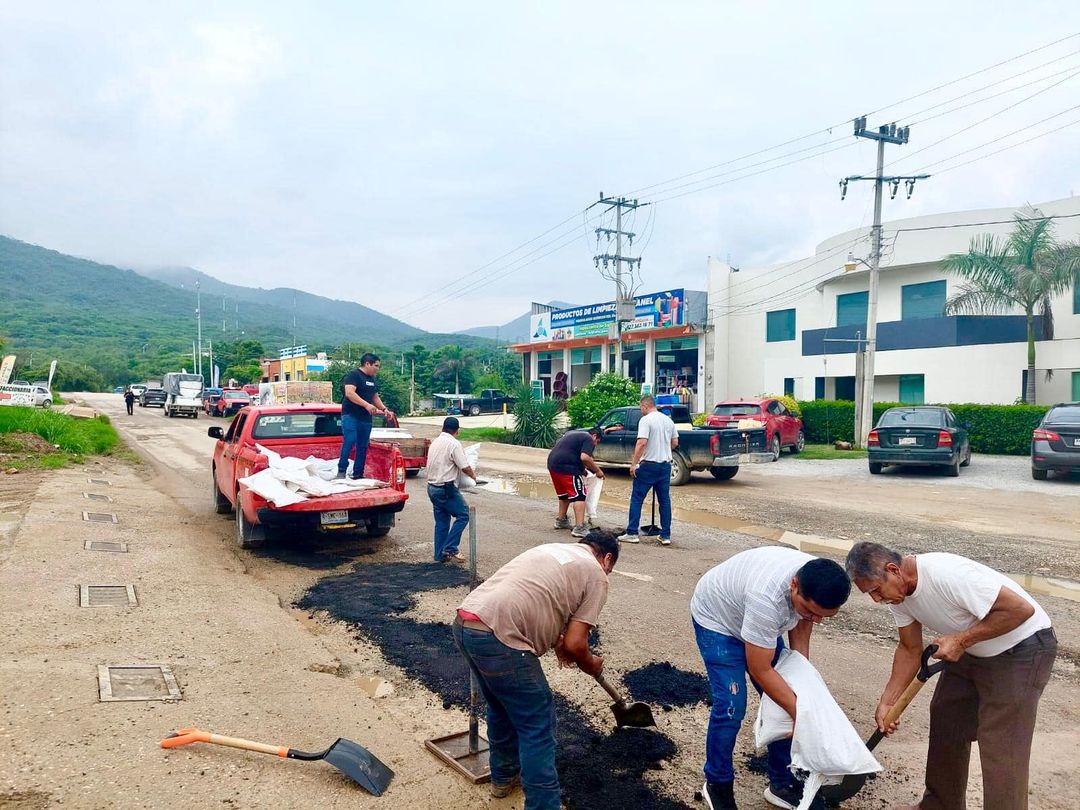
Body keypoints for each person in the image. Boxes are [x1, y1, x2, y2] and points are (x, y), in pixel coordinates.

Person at [845, 542, 1056, 810]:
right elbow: (910, 649)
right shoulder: (898, 595)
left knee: (1001, 742)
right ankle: (940, 805)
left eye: (876, 590)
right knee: (947, 716)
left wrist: (961, 640)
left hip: (1022, 648)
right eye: (870, 594)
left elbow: (1019, 610)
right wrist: (889, 700)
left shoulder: (947, 574)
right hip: (973, 648)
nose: (876, 599)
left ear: (893, 569)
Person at [453, 531, 618, 810]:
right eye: (611, 570)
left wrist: (562, 645)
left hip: (466, 624)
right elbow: (578, 643)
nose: (608, 574)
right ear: (607, 558)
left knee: (501, 708)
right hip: (502, 638)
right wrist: (590, 662)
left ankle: (503, 779)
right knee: (537, 726)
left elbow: (541, 604)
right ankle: (544, 804)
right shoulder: (596, 573)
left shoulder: (553, 550)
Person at [690, 547, 851, 810]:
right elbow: (760, 669)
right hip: (717, 619)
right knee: (732, 706)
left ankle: (782, 783)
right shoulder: (767, 598)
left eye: (824, 616)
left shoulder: (816, 577)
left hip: (756, 618)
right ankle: (717, 783)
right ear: (794, 585)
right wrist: (803, 715)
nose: (817, 620)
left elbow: (803, 623)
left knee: (789, 694)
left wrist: (801, 682)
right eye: (811, 611)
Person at [617, 395, 678, 546]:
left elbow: (641, 443)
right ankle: (665, 535)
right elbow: (675, 442)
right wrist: (663, 449)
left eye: (640, 408)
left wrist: (633, 464)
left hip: (648, 465)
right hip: (665, 465)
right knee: (664, 500)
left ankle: (632, 532)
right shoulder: (668, 420)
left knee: (637, 498)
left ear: (644, 406)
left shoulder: (646, 420)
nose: (641, 411)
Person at [426, 416, 476, 563]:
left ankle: (439, 554)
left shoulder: (435, 442)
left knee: (442, 522)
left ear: (443, 428)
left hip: (432, 488)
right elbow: (464, 466)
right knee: (464, 515)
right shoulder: (453, 444)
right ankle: (451, 548)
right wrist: (474, 477)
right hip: (446, 489)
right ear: (457, 431)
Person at [336, 352, 388, 480]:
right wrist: (366, 405)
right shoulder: (353, 375)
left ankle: (358, 474)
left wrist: (384, 409)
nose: (377, 369)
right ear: (367, 363)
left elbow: (374, 397)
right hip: (351, 414)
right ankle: (341, 471)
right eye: (376, 365)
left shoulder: (372, 379)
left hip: (365, 418)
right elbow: (349, 393)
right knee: (350, 440)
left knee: (363, 445)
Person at [546, 427, 604, 537]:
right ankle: (579, 527)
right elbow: (585, 457)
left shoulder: (574, 434)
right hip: (567, 467)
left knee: (564, 495)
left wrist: (583, 471)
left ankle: (561, 520)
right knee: (580, 496)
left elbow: (572, 453)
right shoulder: (588, 438)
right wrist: (597, 471)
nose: (595, 445)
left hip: (553, 464)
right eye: (597, 442)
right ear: (595, 436)